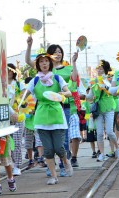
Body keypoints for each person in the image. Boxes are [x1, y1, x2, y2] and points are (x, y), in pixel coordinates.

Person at [25, 36, 80, 172]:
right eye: (54, 51)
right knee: (48, 144)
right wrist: (29, 45)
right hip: (44, 110)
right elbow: (28, 61)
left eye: (59, 51)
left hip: (62, 107)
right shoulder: (41, 72)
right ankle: (51, 168)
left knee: (62, 141)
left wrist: (73, 62)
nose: (58, 53)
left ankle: (63, 164)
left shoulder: (63, 71)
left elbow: (74, 79)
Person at [25, 53, 73, 185]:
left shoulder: (57, 78)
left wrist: (63, 94)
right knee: (48, 150)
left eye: (46, 61)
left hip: (57, 115)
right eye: (41, 62)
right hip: (41, 117)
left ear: (50, 64)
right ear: (38, 65)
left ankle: (65, 161)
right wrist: (19, 103)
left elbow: (68, 92)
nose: (44, 64)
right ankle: (53, 176)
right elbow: (24, 95)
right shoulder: (34, 80)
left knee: (58, 147)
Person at [86, 60, 119, 162]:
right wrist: (82, 95)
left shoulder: (109, 81)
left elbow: (112, 91)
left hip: (109, 108)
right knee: (100, 133)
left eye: (101, 69)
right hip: (98, 110)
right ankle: (101, 153)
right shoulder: (94, 82)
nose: (99, 71)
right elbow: (89, 95)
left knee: (110, 132)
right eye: (98, 69)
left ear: (106, 70)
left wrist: (117, 88)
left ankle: (118, 148)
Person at [7, 63, 26, 176]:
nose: (9, 72)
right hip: (5, 118)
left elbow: (25, 99)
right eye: (7, 70)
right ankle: (10, 163)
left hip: (18, 117)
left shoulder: (19, 84)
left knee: (17, 141)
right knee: (8, 143)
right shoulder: (0, 85)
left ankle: (17, 166)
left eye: (11, 70)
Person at [23, 77, 45, 170]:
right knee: (28, 142)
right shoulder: (23, 94)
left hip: (37, 120)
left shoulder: (37, 93)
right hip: (28, 122)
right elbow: (21, 106)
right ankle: (31, 160)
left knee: (39, 141)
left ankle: (41, 158)